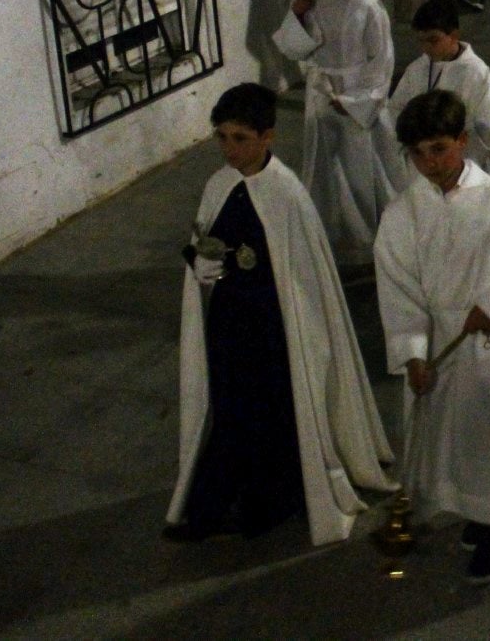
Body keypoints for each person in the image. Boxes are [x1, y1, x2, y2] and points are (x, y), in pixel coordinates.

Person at [166, 83, 395, 546]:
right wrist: (201, 262)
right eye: (223, 137)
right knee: (229, 409)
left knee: (271, 412)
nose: (230, 150)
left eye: (240, 139)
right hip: (229, 323)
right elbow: (205, 239)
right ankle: (214, 501)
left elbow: (304, 277)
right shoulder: (219, 184)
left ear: (267, 136)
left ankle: (270, 502)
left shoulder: (286, 194)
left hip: (275, 328)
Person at [374, 90, 490, 585]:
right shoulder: (402, 214)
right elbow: (398, 289)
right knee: (451, 441)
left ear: (463, 141)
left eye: (439, 149)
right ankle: (474, 511)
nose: (430, 164)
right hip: (435, 343)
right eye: (418, 154)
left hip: (487, 343)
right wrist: (411, 353)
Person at [272, 0, 399, 270]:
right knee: (326, 175)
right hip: (323, 99)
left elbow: (381, 65)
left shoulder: (367, 6)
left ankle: (377, 244)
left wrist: (356, 102)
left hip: (358, 105)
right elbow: (293, 50)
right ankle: (335, 242)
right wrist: (297, 14)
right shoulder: (310, 5)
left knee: (363, 174)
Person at [389, 0, 490, 172]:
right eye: (421, 41)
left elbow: (487, 128)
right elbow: (395, 111)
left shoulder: (476, 73)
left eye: (433, 40)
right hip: (421, 165)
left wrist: (460, 166)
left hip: (461, 167)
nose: (426, 48)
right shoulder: (417, 69)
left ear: (454, 36)